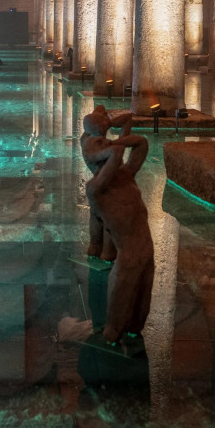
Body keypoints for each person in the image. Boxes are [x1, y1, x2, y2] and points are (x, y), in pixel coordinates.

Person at [81, 110, 154, 344]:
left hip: (147, 250)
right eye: (100, 144)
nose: (108, 144)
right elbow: (116, 153)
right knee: (119, 306)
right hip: (128, 254)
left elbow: (141, 143)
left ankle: (134, 330)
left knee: (142, 304)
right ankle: (111, 337)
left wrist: (110, 135)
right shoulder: (96, 189)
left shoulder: (126, 174)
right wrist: (110, 145)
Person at [79, 105, 133, 263]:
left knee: (95, 218)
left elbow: (93, 121)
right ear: (103, 127)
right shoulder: (109, 147)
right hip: (108, 188)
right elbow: (127, 119)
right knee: (110, 220)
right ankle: (108, 252)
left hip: (95, 186)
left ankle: (94, 247)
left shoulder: (85, 142)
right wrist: (110, 122)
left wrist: (102, 120)